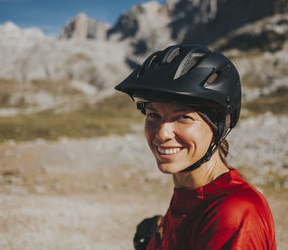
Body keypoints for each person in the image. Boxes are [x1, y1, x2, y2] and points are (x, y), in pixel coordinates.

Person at [115, 45, 276, 250]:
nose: (162, 133)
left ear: (218, 127)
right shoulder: (190, 194)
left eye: (183, 117)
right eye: (153, 115)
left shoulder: (234, 214)